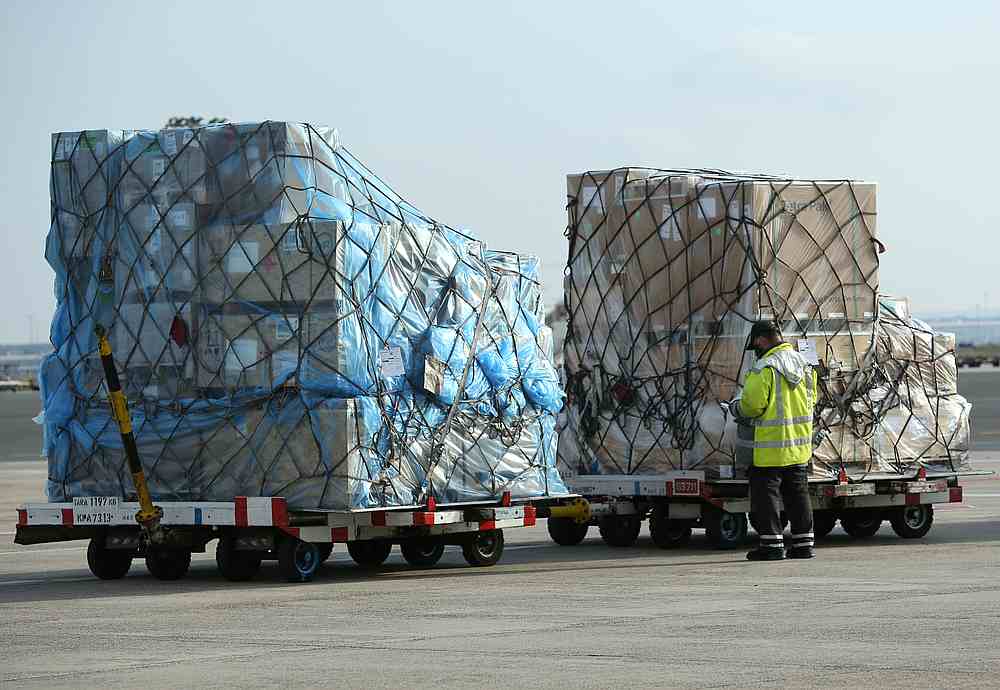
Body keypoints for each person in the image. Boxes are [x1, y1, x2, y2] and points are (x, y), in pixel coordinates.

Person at [736, 320, 818, 561]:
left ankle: (771, 546)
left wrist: (736, 409)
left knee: (766, 498)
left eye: (755, 345)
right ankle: (804, 545)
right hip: (799, 447)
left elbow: (752, 406)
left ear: (761, 340)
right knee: (798, 495)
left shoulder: (765, 368)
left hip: (770, 450)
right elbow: (812, 401)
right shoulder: (804, 365)